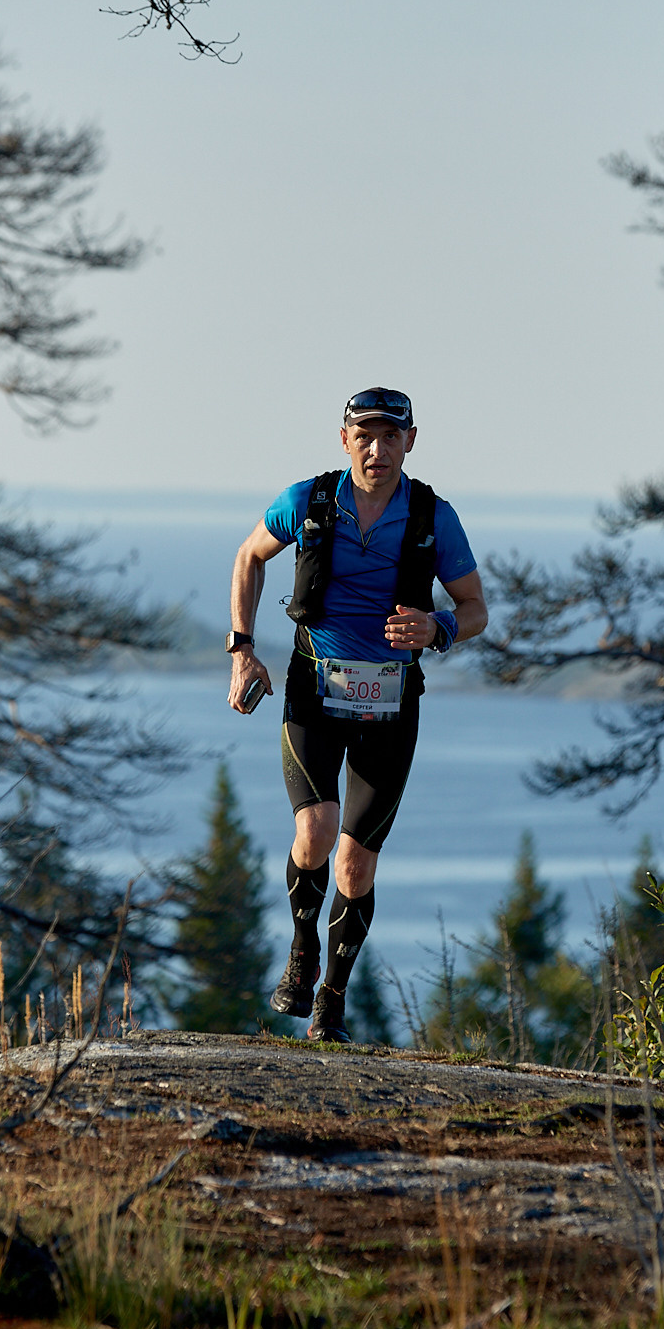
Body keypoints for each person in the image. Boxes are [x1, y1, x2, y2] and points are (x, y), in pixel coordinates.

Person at [226, 387, 487, 1042]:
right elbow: (249, 556)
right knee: (314, 831)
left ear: (410, 441)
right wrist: (242, 648)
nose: (376, 449)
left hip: (391, 702)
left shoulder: (433, 516)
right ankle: (301, 949)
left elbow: (476, 606)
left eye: (389, 436)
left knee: (354, 865)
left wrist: (438, 626)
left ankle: (330, 1003)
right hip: (313, 687)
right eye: (363, 436)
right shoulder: (308, 502)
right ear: (344, 440)